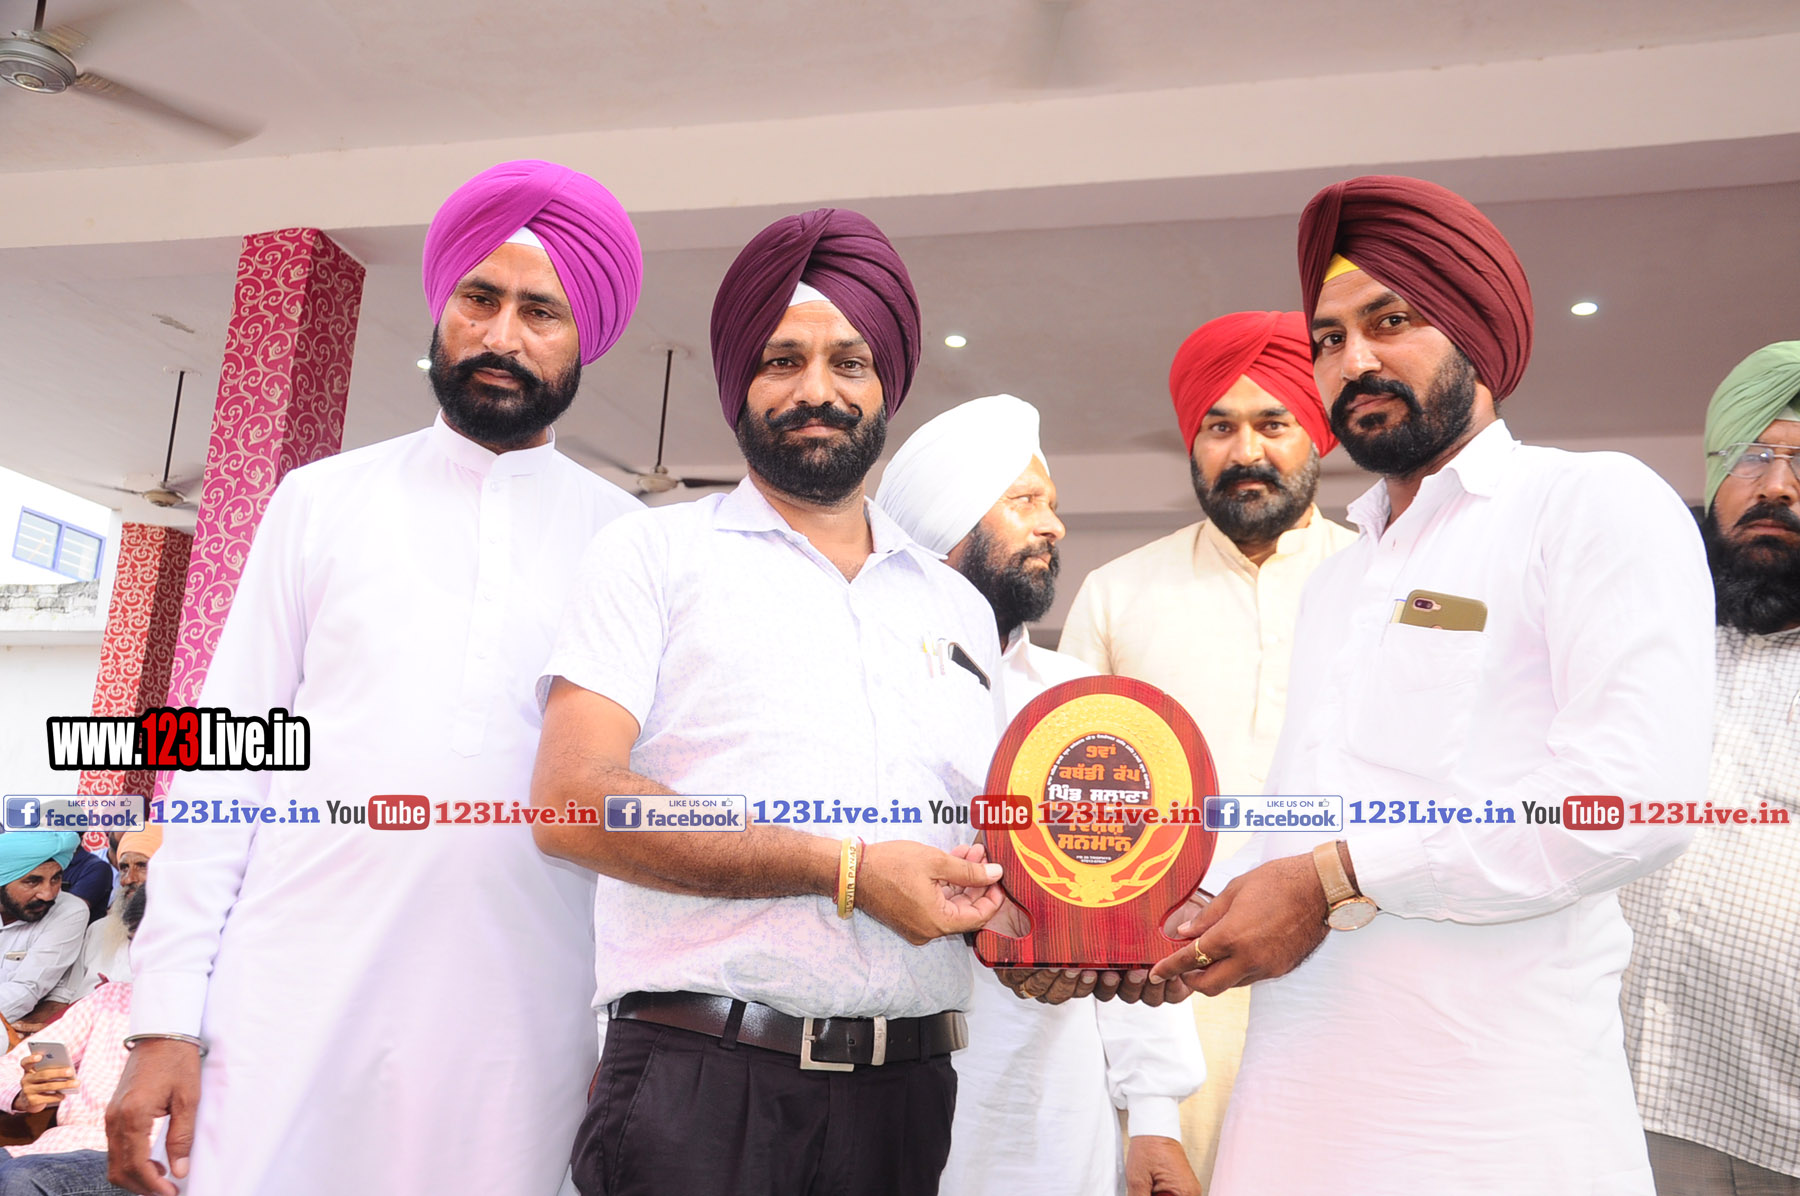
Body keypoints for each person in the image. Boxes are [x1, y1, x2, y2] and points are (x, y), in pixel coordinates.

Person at [1127, 174, 1715, 1194]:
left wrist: (1336, 876)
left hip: (1494, 1128)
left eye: (1390, 321)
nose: (1354, 359)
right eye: (1329, 338)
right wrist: (1152, 919)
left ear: (1475, 327)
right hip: (1296, 1109)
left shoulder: (1587, 504)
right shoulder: (1343, 578)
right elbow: (1306, 821)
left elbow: (1628, 802)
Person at [105, 159, 645, 1196]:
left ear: (588, 338)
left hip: (524, 1026)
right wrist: (165, 1015)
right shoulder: (320, 501)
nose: (501, 334)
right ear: (442, 307)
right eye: (479, 298)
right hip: (285, 1004)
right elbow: (221, 754)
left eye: (542, 310)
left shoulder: (631, 545)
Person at [532, 207, 1007, 1196]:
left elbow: (980, 838)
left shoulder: (958, 605)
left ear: (887, 384)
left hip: (909, 1100)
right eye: (781, 360)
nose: (816, 390)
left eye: (849, 361)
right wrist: (842, 869)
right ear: (738, 384)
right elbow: (574, 800)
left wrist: (1057, 925)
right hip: (703, 1092)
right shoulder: (653, 554)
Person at [877, 394, 1207, 1196]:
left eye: (1051, 504)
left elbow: (1135, 901)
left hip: (1053, 1107)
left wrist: (1154, 1117)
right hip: (883, 1096)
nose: (1054, 526)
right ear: (948, 524)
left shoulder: (1083, 705)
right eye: (1025, 501)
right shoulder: (867, 688)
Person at [1056, 310, 1353, 1182]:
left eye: (1272, 423)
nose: (1244, 450)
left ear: (1317, 435)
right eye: (1219, 427)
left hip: (1348, 973)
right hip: (1168, 989)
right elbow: (1072, 822)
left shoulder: (1378, 583)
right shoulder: (1117, 594)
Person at [1621, 341, 1800, 1195]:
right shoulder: (1644, 632)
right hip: (1615, 1100)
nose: (1777, 486)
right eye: (1752, 455)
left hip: (1780, 1129)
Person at [0, 884, 148, 1196]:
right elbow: (11, 1065)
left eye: (158, 944)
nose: (142, 956)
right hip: (51, 1150)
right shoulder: (109, 999)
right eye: (135, 942)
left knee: (23, 1179)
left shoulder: (224, 1018)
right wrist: (21, 1095)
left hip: (142, 1161)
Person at [56, 827, 158, 1001]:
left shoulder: (186, 936)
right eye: (124, 868)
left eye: (142, 866)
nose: (128, 879)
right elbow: (64, 996)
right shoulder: (98, 929)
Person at [0, 835, 85, 1035]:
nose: (48, 894)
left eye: (56, 878)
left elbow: (27, 988)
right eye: (32, 881)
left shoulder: (69, 911)